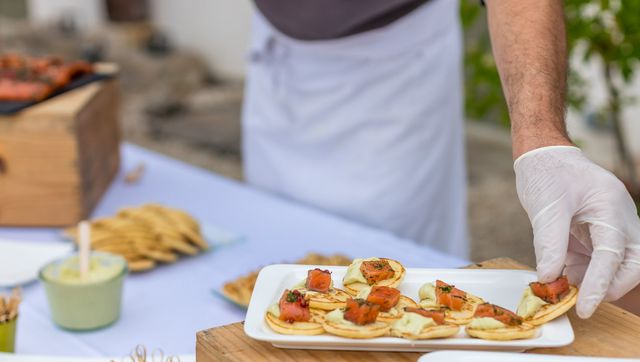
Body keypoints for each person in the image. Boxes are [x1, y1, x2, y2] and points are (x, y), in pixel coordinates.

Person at [242, 0, 640, 319]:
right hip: (278, 60)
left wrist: (542, 142)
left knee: (406, 267)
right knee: (275, 247)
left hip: (395, 65)